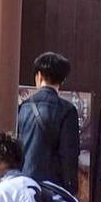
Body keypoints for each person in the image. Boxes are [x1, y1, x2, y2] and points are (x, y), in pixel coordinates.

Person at [17, 51, 80, 193]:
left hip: (24, 183)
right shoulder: (67, 110)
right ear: (62, 80)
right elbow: (69, 154)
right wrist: (71, 189)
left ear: (39, 76)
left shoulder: (23, 107)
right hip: (52, 187)